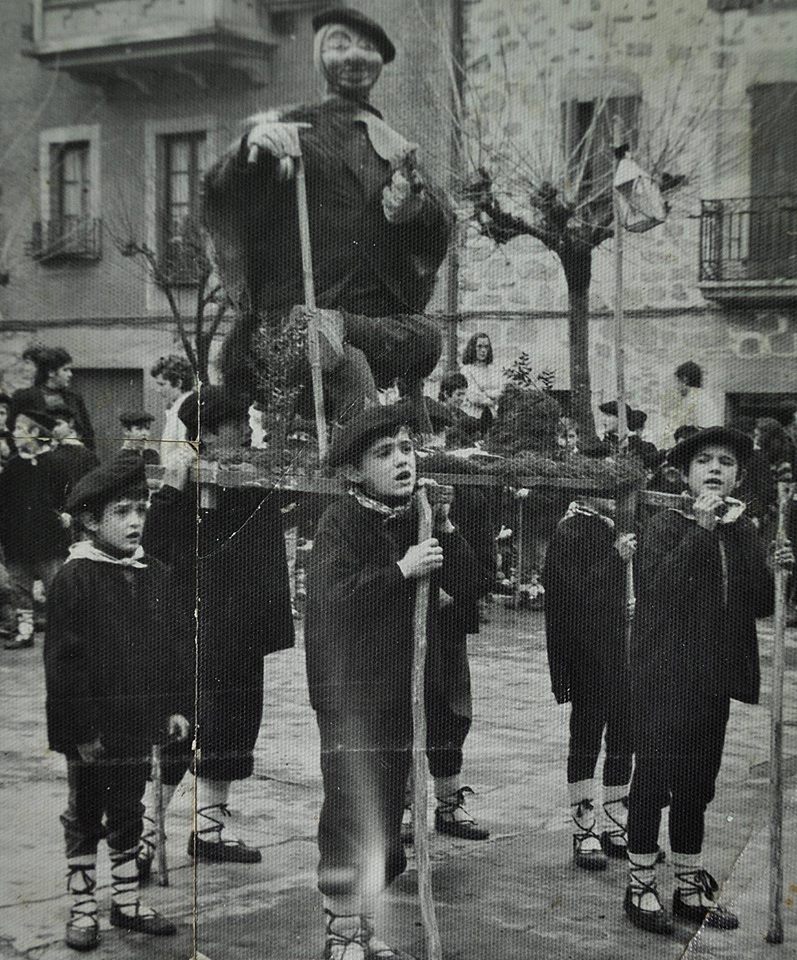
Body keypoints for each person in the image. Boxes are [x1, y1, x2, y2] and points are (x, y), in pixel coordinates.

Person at [202, 7, 452, 431]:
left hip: (368, 322)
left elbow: (438, 224)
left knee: (427, 338)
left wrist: (416, 212)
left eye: (367, 47)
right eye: (340, 44)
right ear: (320, 55)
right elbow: (231, 195)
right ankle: (361, 432)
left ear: (380, 61)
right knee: (342, 363)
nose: (354, 56)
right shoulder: (296, 129)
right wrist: (252, 153)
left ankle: (337, 329)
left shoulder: (394, 146)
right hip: (295, 314)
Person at [305, 402, 484, 959]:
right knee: (350, 810)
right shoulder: (340, 522)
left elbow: (472, 583)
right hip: (351, 694)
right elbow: (333, 600)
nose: (402, 460)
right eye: (384, 453)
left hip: (403, 692)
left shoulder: (419, 515)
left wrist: (445, 526)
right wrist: (402, 569)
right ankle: (341, 934)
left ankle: (362, 925)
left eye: (407, 448)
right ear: (355, 471)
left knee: (385, 815)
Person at [623, 426, 794, 934]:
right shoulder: (664, 525)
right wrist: (700, 531)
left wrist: (780, 570)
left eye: (726, 462)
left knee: (697, 785)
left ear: (738, 476)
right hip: (662, 676)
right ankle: (640, 885)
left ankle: (688, 885)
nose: (715, 469)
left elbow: (758, 603)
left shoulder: (742, 530)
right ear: (685, 474)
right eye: (704, 461)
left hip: (712, 681)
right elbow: (658, 590)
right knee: (653, 780)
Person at [136, 387, 294, 873]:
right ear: (207, 432)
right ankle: (145, 833)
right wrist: (171, 489)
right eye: (237, 423)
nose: (247, 430)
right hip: (193, 625)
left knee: (232, 725)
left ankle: (208, 830)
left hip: (241, 625)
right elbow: (153, 546)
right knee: (180, 725)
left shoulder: (251, 476)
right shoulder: (183, 478)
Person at [44, 452, 192, 950]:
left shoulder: (154, 573)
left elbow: (171, 648)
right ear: (91, 521)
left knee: (129, 806)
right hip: (93, 729)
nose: (135, 522)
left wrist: (174, 706)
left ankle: (126, 900)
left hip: (137, 721)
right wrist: (79, 732)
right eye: (122, 512)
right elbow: (63, 665)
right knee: (86, 812)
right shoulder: (75, 577)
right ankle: (83, 905)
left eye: (141, 510)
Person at [542, 498, 636, 870]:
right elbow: (571, 597)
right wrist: (615, 560)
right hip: (588, 655)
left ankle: (615, 823)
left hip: (625, 652)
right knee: (586, 737)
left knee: (624, 737)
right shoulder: (570, 530)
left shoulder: (623, 522)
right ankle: (584, 828)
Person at [0, 409, 70, 649]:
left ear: (34, 432)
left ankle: (63, 635)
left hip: (49, 542)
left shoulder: (56, 463)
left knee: (55, 588)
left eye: (19, 428)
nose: (14, 433)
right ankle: (25, 631)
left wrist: (65, 516)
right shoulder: (13, 467)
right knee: (20, 589)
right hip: (17, 542)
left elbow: (67, 498)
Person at [11, 347, 95, 450]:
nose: (70, 374)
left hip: (72, 455)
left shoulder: (74, 398)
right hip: (39, 456)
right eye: (65, 370)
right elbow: (12, 429)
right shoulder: (24, 397)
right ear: (51, 372)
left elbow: (88, 433)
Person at [150, 356, 195, 470]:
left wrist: (169, 478)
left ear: (178, 383)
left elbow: (186, 452)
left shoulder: (187, 408)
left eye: (162, 384)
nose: (158, 390)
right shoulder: (178, 407)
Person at [48, 405, 100, 492]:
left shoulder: (84, 452)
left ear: (71, 423)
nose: (54, 430)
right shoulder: (50, 451)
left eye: (58, 424)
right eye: (50, 426)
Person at [460, 333, 503, 433]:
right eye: (479, 346)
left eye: (486, 347)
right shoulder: (466, 370)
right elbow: (474, 396)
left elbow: (502, 391)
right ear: (472, 348)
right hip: (474, 419)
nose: (483, 350)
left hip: (494, 418)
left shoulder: (494, 369)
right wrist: (491, 397)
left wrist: (486, 393)